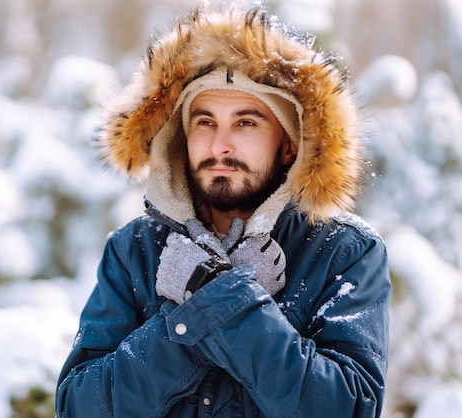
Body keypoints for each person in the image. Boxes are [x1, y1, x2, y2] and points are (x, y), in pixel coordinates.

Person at [56, 4, 391, 418]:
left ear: (289, 143)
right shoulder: (134, 249)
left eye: (246, 123)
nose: (219, 146)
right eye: (205, 122)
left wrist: (221, 298)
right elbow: (79, 406)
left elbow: (347, 407)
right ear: (180, 136)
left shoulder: (343, 252)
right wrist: (202, 313)